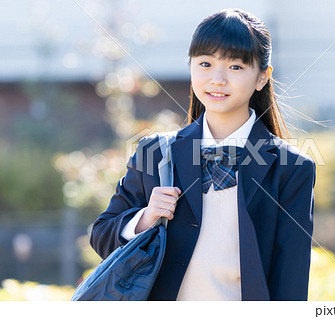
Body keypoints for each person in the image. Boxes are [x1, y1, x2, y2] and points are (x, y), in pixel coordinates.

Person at [90, 8, 316, 301]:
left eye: (235, 67)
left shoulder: (292, 168)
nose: (217, 79)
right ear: (191, 67)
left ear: (262, 77)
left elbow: (291, 279)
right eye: (206, 64)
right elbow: (102, 235)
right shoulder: (155, 152)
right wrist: (145, 218)